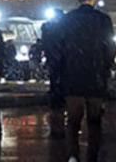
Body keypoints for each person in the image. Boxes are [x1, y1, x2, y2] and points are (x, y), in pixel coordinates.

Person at [57, 0, 116, 162]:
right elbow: (111, 47)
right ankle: (92, 155)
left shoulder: (67, 19)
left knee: (73, 122)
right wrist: (105, 65)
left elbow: (59, 48)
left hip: (73, 77)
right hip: (95, 77)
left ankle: (73, 155)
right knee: (94, 121)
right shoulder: (103, 20)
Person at [40, 9, 66, 139]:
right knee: (61, 83)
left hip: (53, 59)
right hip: (63, 60)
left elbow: (45, 43)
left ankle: (55, 107)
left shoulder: (47, 27)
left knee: (54, 81)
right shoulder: (65, 26)